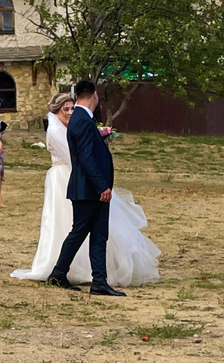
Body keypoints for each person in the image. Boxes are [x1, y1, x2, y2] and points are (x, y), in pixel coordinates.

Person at [13, 93, 159, 288]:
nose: (70, 112)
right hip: (66, 178)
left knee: (87, 227)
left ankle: (87, 272)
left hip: (76, 176)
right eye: (66, 109)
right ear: (56, 110)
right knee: (72, 225)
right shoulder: (55, 131)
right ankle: (66, 270)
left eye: (72, 108)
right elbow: (75, 157)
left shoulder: (69, 127)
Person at [45, 79, 125, 297]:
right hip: (88, 189)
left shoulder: (83, 119)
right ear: (95, 96)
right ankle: (58, 274)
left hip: (93, 189)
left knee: (99, 235)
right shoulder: (80, 119)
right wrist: (102, 186)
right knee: (79, 232)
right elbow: (86, 158)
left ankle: (100, 280)